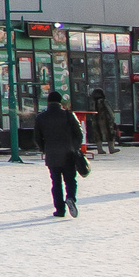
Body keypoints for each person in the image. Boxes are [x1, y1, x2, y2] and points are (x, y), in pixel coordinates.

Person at [36, 90, 85, 218]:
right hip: (68, 154)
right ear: (60, 102)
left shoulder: (41, 117)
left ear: (48, 102)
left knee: (56, 183)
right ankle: (71, 198)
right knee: (70, 180)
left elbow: (37, 137)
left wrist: (44, 149)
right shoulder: (68, 115)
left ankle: (59, 210)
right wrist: (74, 147)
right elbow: (79, 134)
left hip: (52, 155)